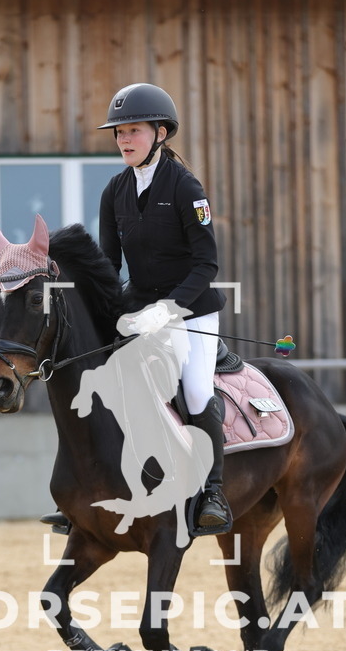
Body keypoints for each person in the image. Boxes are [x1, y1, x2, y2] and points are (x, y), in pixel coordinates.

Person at [42, 82, 231, 534]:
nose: (124, 139)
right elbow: (109, 265)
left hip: (192, 308)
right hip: (139, 308)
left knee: (197, 391)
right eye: (119, 132)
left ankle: (214, 492)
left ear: (160, 133)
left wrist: (167, 310)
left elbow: (207, 264)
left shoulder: (186, 188)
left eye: (134, 131)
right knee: (98, 380)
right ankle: (86, 492)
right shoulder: (115, 191)